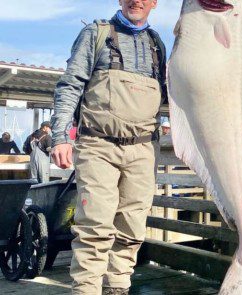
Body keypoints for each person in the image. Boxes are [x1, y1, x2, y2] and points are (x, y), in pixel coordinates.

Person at [50, 0, 167, 294]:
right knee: (95, 227)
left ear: (154, 3)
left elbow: (171, 94)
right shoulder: (96, 33)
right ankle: (86, 289)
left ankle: (118, 287)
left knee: (131, 227)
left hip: (142, 150)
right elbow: (70, 85)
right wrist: (61, 137)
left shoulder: (157, 44)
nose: (136, 1)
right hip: (97, 144)